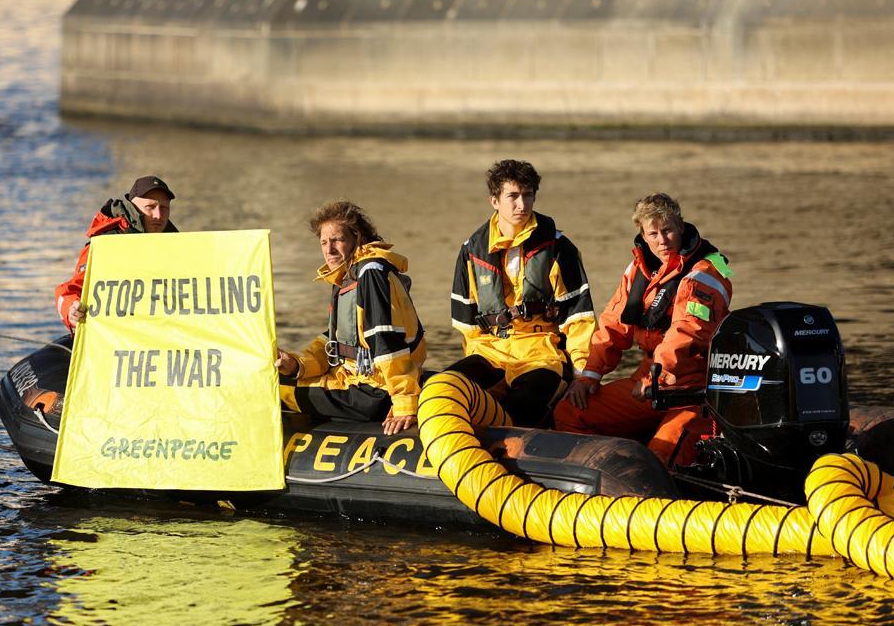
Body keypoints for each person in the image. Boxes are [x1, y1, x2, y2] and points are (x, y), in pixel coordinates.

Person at [554, 192, 733, 467]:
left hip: (691, 389)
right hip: (649, 383)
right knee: (570, 412)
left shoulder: (705, 272)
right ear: (642, 234)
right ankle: (604, 477)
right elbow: (614, 325)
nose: (662, 240)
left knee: (661, 459)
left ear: (681, 227)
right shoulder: (639, 269)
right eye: (653, 234)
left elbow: (686, 332)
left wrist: (654, 378)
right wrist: (589, 376)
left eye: (668, 230)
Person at [448, 159, 596, 427]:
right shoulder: (471, 251)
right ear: (494, 200)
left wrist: (582, 376)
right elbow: (467, 325)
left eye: (528, 196)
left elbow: (579, 320)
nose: (522, 205)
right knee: (444, 388)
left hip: (542, 353)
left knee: (522, 405)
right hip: (490, 351)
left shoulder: (559, 247)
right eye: (513, 196)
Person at [275, 201, 426, 436]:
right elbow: (334, 342)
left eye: (337, 240)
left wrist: (405, 404)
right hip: (353, 381)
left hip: (373, 394)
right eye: (324, 242)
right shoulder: (348, 275)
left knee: (273, 391)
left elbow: (387, 343)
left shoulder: (371, 275)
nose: (329, 250)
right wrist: (296, 365)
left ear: (358, 238)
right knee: (281, 379)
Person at [54, 175, 178, 332]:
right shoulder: (107, 242)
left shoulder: (176, 243)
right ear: (134, 208)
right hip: (116, 336)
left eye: (164, 208)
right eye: (150, 207)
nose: (158, 215)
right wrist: (72, 311)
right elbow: (68, 291)